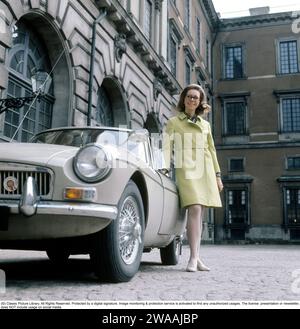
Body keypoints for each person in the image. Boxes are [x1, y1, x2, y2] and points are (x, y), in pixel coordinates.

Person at [162, 84, 223, 272]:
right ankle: (193, 257)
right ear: (184, 99)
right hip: (186, 167)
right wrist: (164, 167)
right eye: (189, 96)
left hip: (205, 169)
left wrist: (218, 175)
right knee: (194, 207)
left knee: (200, 212)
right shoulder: (173, 122)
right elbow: (166, 146)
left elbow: (212, 150)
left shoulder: (206, 125)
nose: (192, 100)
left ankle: (196, 257)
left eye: (196, 98)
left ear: (199, 102)